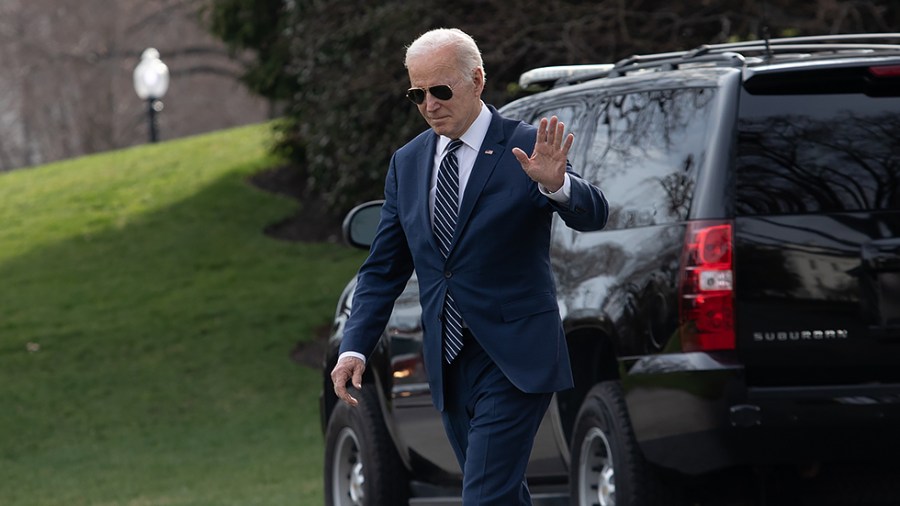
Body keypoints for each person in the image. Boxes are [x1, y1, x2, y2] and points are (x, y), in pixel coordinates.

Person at [331, 28, 609, 505]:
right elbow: (383, 269)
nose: (430, 104)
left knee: (483, 494)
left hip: (515, 356)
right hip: (448, 359)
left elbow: (594, 213)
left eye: (442, 90)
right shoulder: (408, 162)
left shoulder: (525, 146)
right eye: (417, 94)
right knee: (501, 495)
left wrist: (558, 185)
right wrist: (353, 347)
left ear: (477, 80)